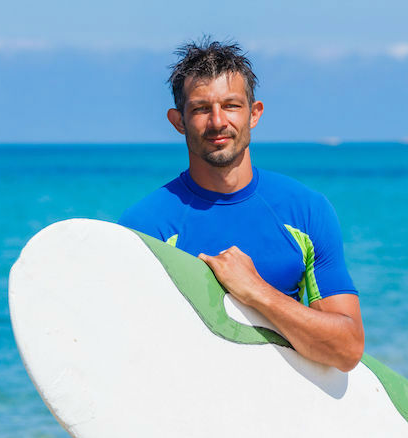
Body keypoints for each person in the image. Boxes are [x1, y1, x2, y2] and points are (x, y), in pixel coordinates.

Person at [119, 39, 364, 372]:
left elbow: (346, 349)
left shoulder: (306, 211)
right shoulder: (148, 225)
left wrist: (256, 291)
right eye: (201, 108)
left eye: (231, 105)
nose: (218, 121)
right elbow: (131, 350)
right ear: (178, 121)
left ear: (254, 113)